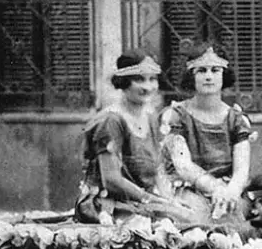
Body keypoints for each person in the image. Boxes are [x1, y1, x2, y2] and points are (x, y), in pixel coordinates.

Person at [75, 49, 193, 225]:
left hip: (142, 202)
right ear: (124, 82)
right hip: (108, 204)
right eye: (139, 79)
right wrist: (155, 201)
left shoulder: (151, 116)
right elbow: (112, 180)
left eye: (152, 79)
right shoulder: (111, 121)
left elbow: (157, 168)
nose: (147, 87)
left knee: (189, 215)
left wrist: (169, 199)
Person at [160, 42, 252, 225]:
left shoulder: (236, 118)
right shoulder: (177, 115)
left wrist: (230, 193)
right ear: (191, 76)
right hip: (188, 187)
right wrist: (216, 188)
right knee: (196, 218)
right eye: (201, 70)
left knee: (236, 217)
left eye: (215, 70)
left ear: (224, 75)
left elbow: (241, 169)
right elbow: (183, 165)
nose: (208, 77)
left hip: (227, 189)